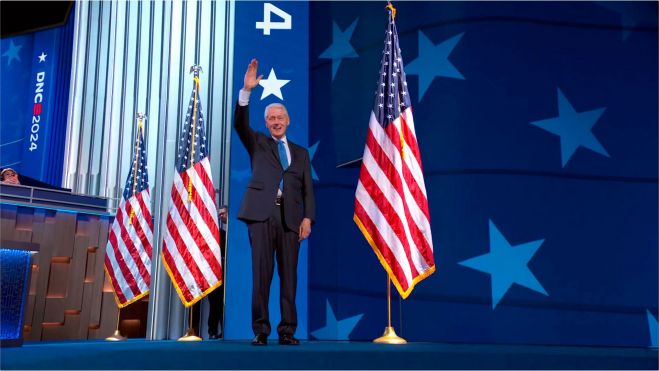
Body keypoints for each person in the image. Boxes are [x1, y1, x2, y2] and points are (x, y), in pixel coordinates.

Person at [234, 59, 315, 346]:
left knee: (289, 277)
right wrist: (246, 92)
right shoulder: (257, 142)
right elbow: (239, 123)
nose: (276, 122)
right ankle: (260, 330)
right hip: (261, 216)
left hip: (291, 220)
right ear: (266, 123)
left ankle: (287, 331)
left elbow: (308, 189)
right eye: (271, 118)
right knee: (261, 276)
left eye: (280, 117)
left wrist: (308, 218)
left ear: (288, 120)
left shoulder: (301, 153)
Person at [207, 205, 228, 339]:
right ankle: (212, 331)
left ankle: (224, 331)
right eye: (219, 214)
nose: (221, 217)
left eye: (223, 214)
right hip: (211, 272)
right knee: (213, 302)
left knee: (222, 302)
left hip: (225, 271)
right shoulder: (210, 233)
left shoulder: (225, 234)